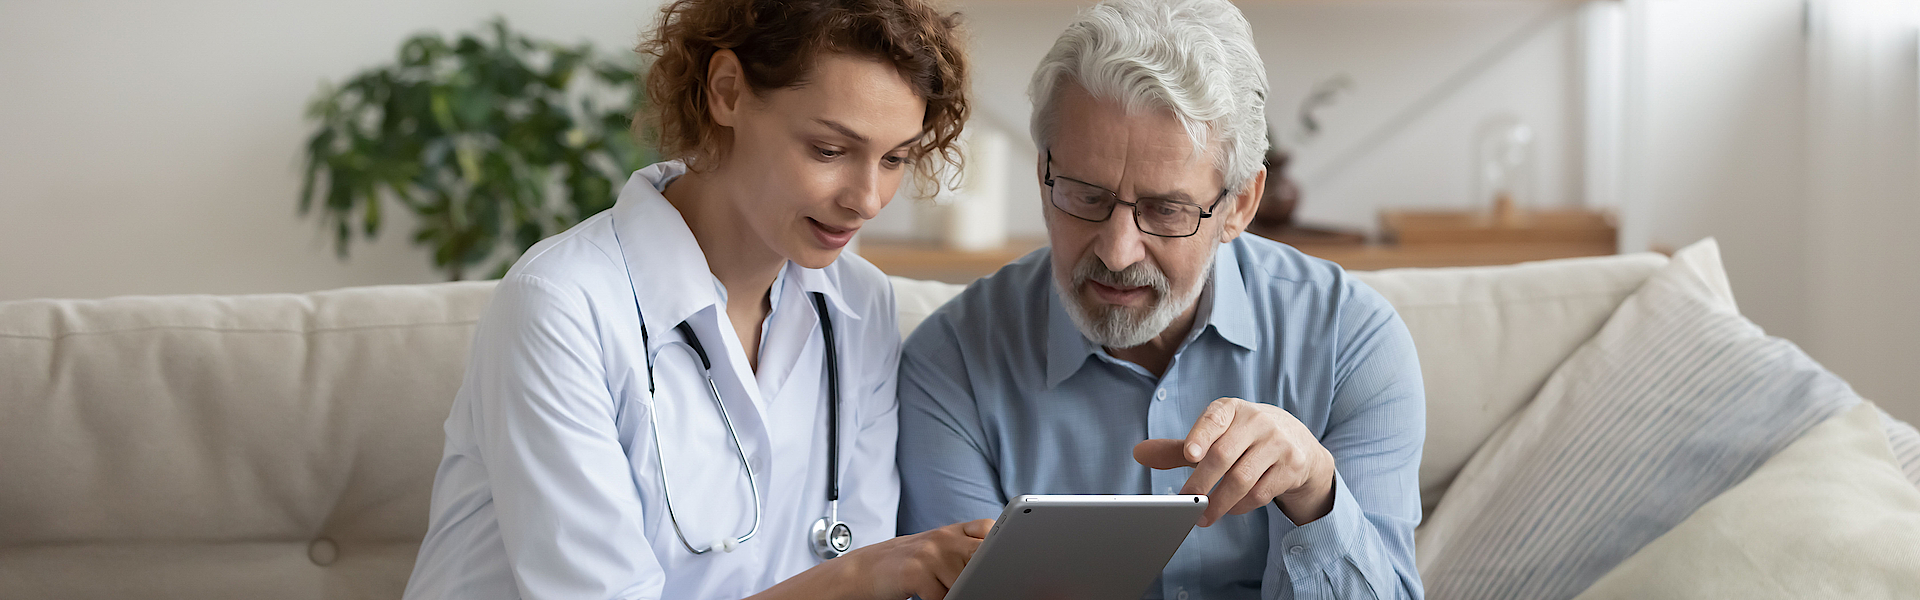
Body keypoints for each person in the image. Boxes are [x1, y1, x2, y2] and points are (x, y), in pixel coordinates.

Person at [403, 1, 989, 599]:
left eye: (894, 159)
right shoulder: (560, 306)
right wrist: (862, 574)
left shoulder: (860, 305)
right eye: (829, 150)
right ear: (727, 91)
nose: (867, 200)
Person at [895, 0, 1425, 598]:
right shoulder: (950, 363)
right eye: (1085, 195)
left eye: (1166, 210)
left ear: (1241, 207)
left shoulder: (1350, 341)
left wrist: (1314, 490)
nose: (1119, 252)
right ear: (1044, 172)